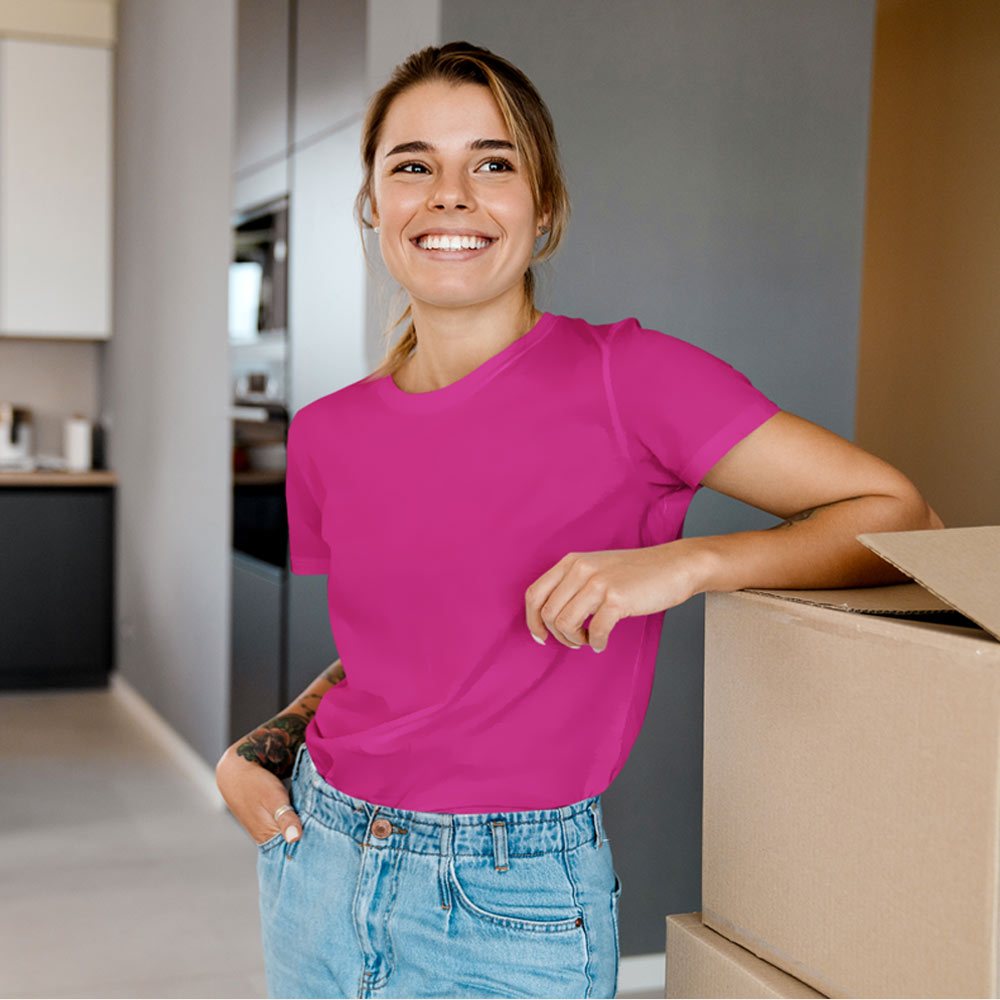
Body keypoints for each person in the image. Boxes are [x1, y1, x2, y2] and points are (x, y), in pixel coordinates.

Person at [216, 42, 942, 1000]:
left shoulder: (631, 379)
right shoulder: (326, 434)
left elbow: (904, 518)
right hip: (319, 862)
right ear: (375, 207)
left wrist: (684, 564)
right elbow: (399, 659)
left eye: (492, 162)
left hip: (511, 900)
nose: (450, 195)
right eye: (412, 166)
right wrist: (261, 747)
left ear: (544, 207)